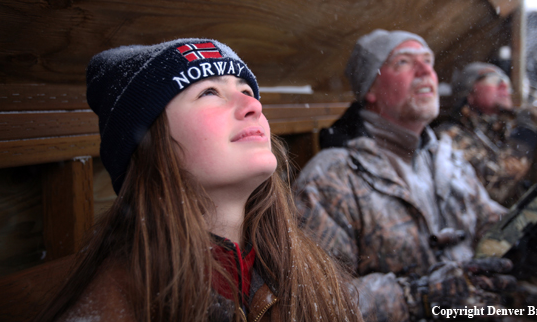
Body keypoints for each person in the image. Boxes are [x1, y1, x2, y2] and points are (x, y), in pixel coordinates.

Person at [34, 38, 362, 322]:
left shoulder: (308, 270)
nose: (252, 105)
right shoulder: (118, 306)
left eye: (247, 90)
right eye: (209, 92)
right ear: (150, 145)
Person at [295, 29, 537, 321]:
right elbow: (314, 303)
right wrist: (418, 296)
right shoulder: (331, 177)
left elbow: (502, 251)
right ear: (369, 88)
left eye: (428, 60)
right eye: (403, 62)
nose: (426, 71)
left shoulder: (449, 160)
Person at [434, 62, 537, 206]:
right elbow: (495, 187)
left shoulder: (499, 130)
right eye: (494, 81)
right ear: (470, 93)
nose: (504, 86)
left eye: (506, 82)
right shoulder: (450, 136)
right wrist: (525, 133)